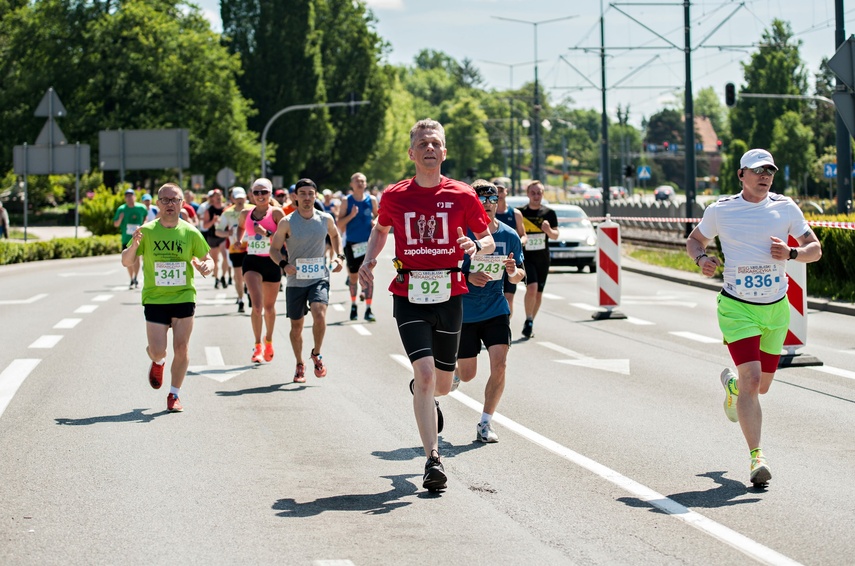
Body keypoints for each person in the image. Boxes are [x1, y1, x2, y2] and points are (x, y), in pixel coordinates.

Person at [358, 118, 494, 492]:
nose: (429, 149)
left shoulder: (464, 195)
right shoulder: (395, 195)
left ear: (444, 151)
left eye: (435, 143)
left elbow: (488, 241)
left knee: (445, 385)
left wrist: (474, 246)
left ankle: (428, 396)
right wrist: (369, 260)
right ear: (412, 153)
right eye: (423, 144)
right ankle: (433, 459)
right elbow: (380, 229)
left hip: (450, 293)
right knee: (426, 375)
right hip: (409, 295)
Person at [686, 148, 822, 487]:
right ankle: (756, 458)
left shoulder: (785, 207)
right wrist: (701, 258)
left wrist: (792, 253)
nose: (765, 176)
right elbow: (695, 239)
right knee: (752, 382)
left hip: (776, 308)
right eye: (758, 171)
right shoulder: (721, 210)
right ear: (741, 175)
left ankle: (732, 387)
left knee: (760, 386)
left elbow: (814, 249)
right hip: (737, 307)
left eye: (770, 171)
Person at [120, 183, 213, 413]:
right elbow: (126, 261)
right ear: (157, 203)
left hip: (183, 296)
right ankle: (158, 361)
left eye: (175, 200)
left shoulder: (190, 232)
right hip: (155, 298)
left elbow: (208, 258)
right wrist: (135, 246)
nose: (170, 204)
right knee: (158, 350)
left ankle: (174, 394)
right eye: (165, 200)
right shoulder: (147, 231)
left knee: (181, 348)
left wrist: (206, 267)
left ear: (183, 203)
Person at [455, 180, 525, 443]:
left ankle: (485, 423)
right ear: (473, 202)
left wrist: (512, 273)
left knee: (500, 364)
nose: (488, 205)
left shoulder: (509, 236)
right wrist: (469, 276)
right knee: (468, 373)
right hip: (465, 310)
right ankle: (450, 374)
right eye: (483, 200)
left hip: (495, 308)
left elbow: (520, 274)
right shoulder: (461, 234)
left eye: (492, 200)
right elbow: (448, 272)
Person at [270, 179, 345, 382]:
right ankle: (299, 363)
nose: (307, 197)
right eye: (302, 193)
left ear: (315, 195)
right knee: (297, 326)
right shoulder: (287, 222)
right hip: (295, 280)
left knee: (319, 314)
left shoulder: (325, 218)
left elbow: (336, 236)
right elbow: (274, 250)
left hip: (319, 277)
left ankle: (316, 353)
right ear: (295, 196)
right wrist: (284, 265)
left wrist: (339, 256)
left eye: (310, 193)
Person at [237, 179, 287, 363]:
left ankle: (269, 341)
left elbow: (285, 236)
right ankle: (257, 346)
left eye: (263, 192)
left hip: (272, 262)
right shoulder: (245, 213)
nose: (260, 196)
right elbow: (241, 227)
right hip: (252, 262)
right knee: (257, 306)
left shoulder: (276, 213)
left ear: (270, 193)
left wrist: (266, 233)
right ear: (251, 194)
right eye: (256, 192)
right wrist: (238, 239)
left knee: (269, 307)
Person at [517, 180, 559, 338]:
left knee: (539, 293)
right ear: (528, 194)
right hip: (526, 257)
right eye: (533, 193)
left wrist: (548, 230)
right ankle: (528, 318)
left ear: (543, 194)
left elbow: (556, 235)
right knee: (532, 287)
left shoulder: (549, 213)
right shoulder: (520, 213)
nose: (536, 196)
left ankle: (530, 322)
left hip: (543, 258)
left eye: (539, 193)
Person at [337, 172, 379, 322]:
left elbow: (379, 217)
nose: (360, 183)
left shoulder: (372, 200)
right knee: (353, 276)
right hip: (352, 244)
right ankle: (354, 305)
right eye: (357, 181)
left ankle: (368, 309)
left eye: (362, 181)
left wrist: (375, 222)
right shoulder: (346, 201)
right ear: (352, 184)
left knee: (368, 276)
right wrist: (351, 216)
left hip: (368, 244)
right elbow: (339, 224)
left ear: (366, 184)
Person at [493, 179, 527, 318]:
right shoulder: (489, 212)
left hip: (509, 261)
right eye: (496, 191)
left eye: (501, 190)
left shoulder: (515, 214)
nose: (499, 194)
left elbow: (523, 235)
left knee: (508, 297)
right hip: (492, 261)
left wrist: (517, 243)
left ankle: (505, 324)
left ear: (506, 192)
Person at [215, 186, 250, 313]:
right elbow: (218, 231)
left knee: (250, 274)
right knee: (238, 276)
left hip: (251, 248)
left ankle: (249, 291)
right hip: (235, 248)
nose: (240, 201)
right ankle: (241, 299)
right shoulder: (227, 213)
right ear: (233, 199)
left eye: (242, 198)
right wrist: (228, 233)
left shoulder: (252, 209)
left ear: (246, 197)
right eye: (237, 198)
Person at [114, 188, 149, 289]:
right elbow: (115, 224)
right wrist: (120, 218)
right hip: (126, 239)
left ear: (134, 196)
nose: (129, 198)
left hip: (138, 237)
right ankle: (131, 278)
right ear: (125, 198)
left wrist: (144, 224)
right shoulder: (121, 209)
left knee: (137, 258)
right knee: (128, 259)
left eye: (131, 196)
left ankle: (136, 277)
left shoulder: (141, 207)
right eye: (127, 196)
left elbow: (146, 218)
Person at [201, 189, 229, 289]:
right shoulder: (209, 210)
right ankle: (216, 279)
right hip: (212, 236)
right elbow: (205, 226)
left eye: (219, 195)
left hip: (223, 236)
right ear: (212, 198)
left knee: (225, 257)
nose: (217, 197)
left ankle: (223, 276)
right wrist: (213, 221)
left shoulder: (226, 209)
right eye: (215, 195)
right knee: (215, 260)